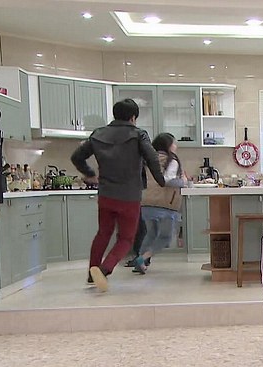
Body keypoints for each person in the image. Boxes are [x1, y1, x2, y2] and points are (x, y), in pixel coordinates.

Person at [70, 98, 165, 292]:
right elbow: (152, 158)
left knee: (103, 233)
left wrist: (89, 173)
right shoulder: (138, 134)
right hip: (129, 196)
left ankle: (92, 272)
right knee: (126, 239)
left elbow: (76, 157)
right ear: (133, 117)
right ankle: (104, 269)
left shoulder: (98, 134)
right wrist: (161, 180)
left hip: (106, 194)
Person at [131, 132, 187, 274]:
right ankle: (142, 259)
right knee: (165, 238)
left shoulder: (147, 159)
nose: (176, 146)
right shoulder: (171, 160)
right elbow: (167, 180)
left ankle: (140, 263)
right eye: (174, 143)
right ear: (168, 145)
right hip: (165, 204)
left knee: (150, 234)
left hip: (146, 202)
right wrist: (183, 182)